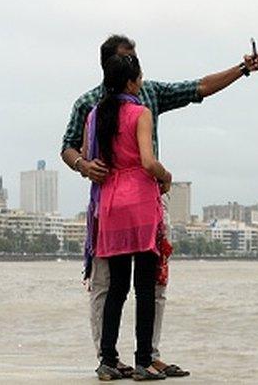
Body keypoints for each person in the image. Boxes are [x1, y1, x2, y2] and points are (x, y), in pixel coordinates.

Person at [60, 35, 258, 378]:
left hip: (113, 202)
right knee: (114, 284)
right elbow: (69, 147)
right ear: (115, 66)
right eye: (129, 60)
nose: (137, 66)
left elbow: (198, 87)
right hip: (136, 198)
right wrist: (83, 164)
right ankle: (127, 358)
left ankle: (128, 358)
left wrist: (242, 68)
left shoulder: (140, 95)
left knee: (139, 285)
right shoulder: (100, 104)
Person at [88, 54, 168, 380]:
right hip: (139, 201)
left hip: (109, 203)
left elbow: (89, 156)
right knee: (145, 287)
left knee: (117, 286)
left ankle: (107, 359)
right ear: (133, 81)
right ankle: (143, 361)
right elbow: (148, 162)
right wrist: (167, 174)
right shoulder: (140, 113)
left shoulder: (95, 114)